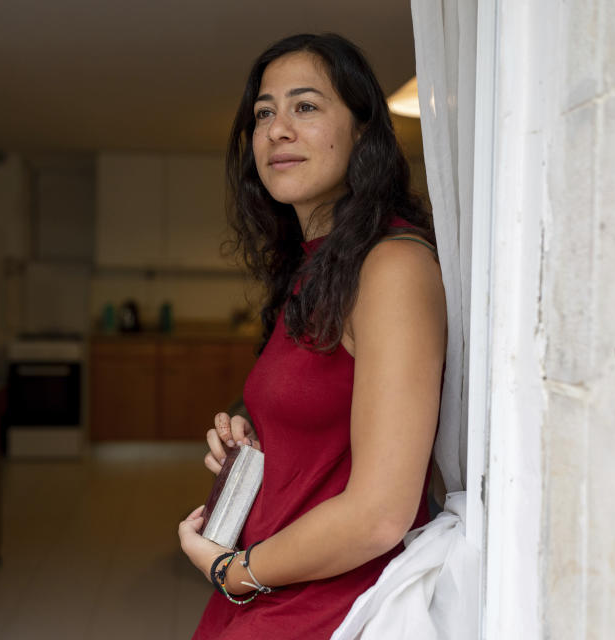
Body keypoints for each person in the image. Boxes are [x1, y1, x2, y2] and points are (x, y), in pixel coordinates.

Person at [178, 32, 446, 640]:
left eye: (305, 106)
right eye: (264, 113)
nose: (276, 129)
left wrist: (236, 571)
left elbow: (380, 514)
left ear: (362, 131)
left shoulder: (392, 267)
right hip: (275, 586)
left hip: (325, 608)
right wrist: (253, 430)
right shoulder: (318, 265)